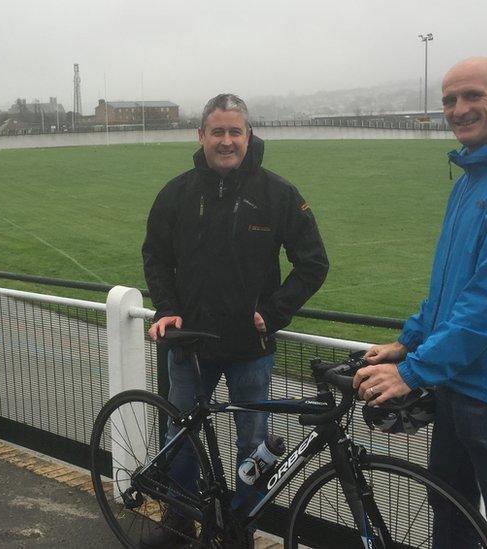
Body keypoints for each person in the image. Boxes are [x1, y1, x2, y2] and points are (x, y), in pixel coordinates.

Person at [353, 57, 487, 548]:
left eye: (473, 95)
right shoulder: (473, 178)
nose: (459, 108)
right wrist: (408, 343)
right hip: (455, 384)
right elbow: (451, 289)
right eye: (450, 99)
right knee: (450, 515)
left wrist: (412, 371)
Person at [142, 93, 329, 547]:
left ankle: (237, 530)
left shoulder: (278, 194)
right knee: (181, 437)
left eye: (235, 132)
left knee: (254, 446)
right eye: (217, 131)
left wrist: (274, 312)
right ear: (201, 135)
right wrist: (168, 309)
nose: (226, 141)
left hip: (252, 349)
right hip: (191, 346)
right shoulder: (177, 192)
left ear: (249, 135)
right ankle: (178, 523)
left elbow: (313, 263)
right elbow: (156, 257)